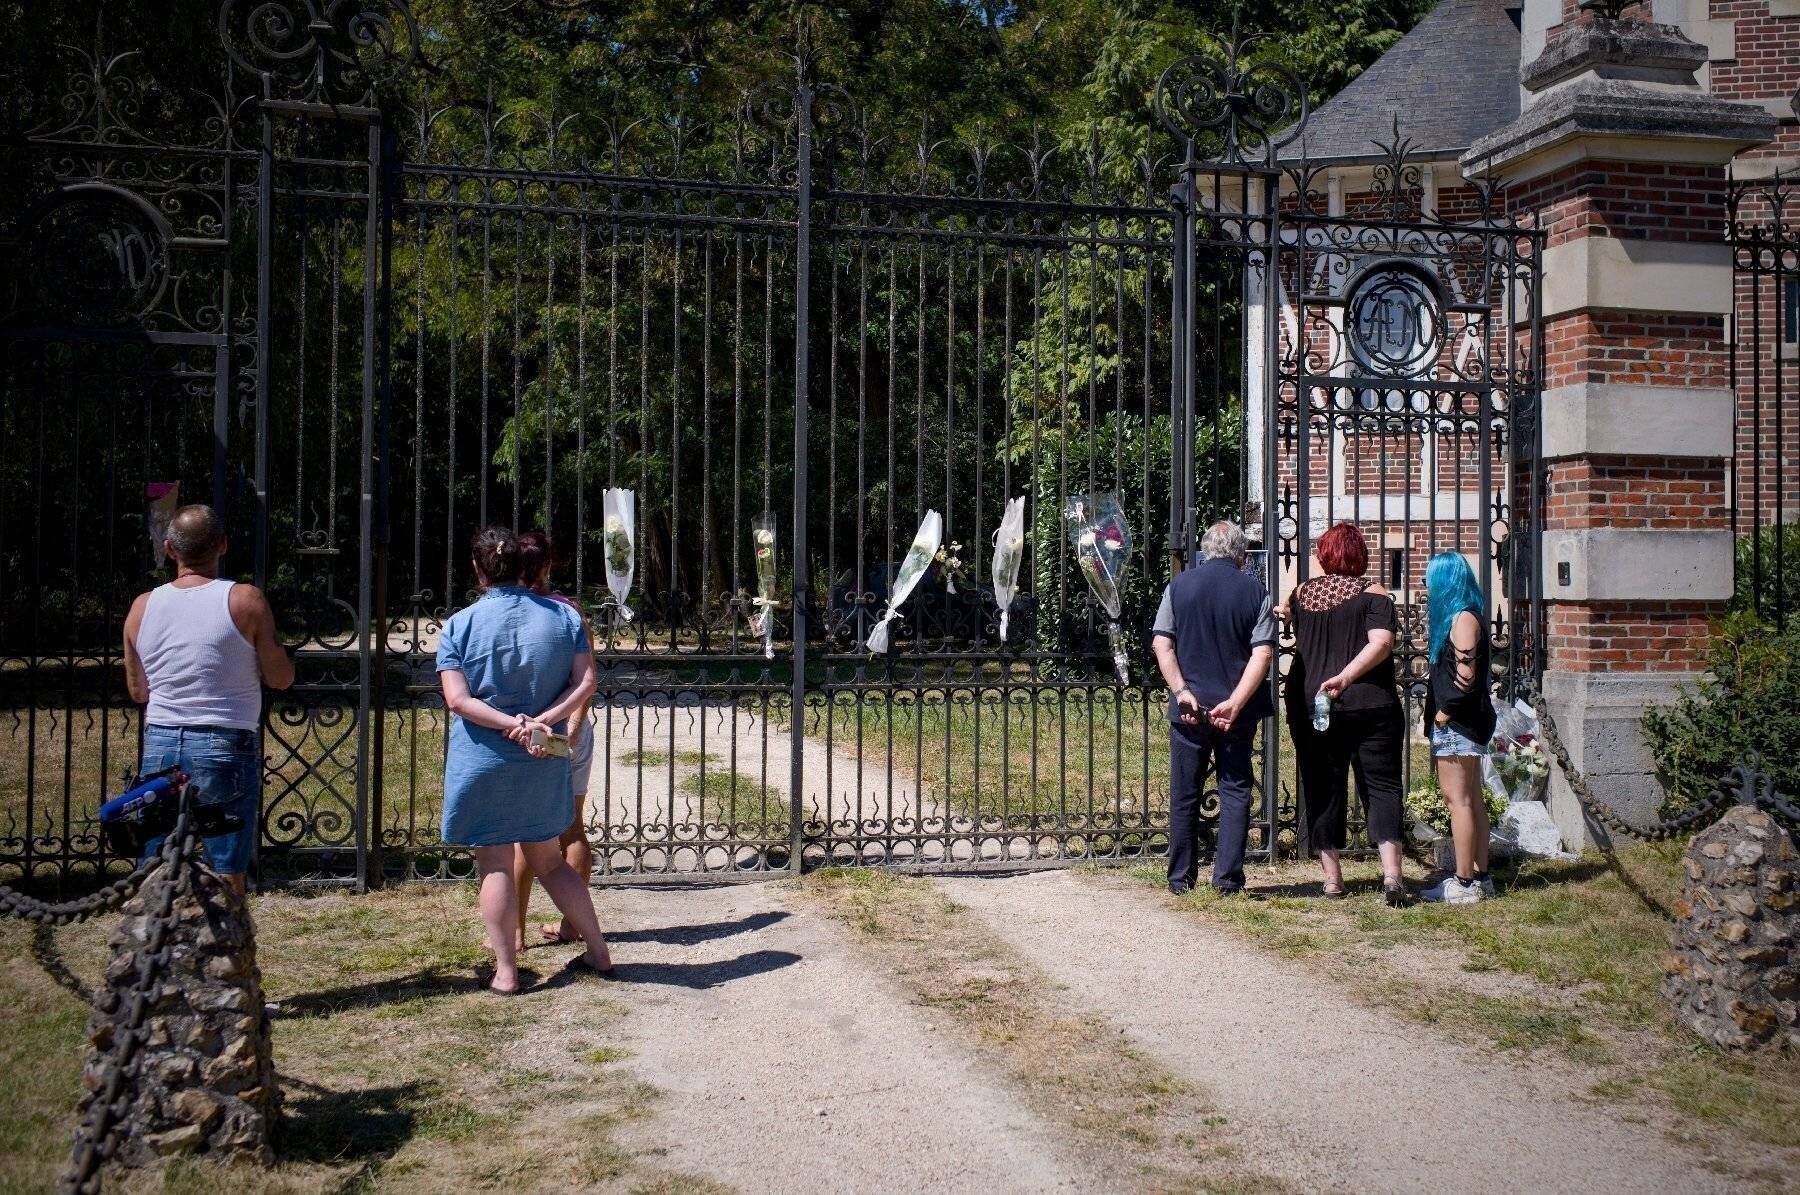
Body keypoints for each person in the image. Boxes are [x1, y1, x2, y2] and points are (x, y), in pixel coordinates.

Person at [437, 526, 611, 993]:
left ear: (477, 569)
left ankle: (507, 972)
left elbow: (457, 700)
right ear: (522, 566)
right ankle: (598, 950)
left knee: (495, 863)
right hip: (542, 753)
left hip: (484, 756)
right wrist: (543, 722)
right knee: (550, 861)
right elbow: (587, 682)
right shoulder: (564, 618)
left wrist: (508, 724)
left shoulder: (459, 624)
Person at [122, 504, 295, 898]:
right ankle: (226, 949)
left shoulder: (142, 607)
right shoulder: (244, 601)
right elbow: (279, 678)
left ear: (169, 549)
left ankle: (152, 943)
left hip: (162, 739)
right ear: (222, 545)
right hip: (225, 739)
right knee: (226, 864)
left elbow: (138, 691)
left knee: (155, 860)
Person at [1282, 523, 1409, 906]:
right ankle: (1392, 876)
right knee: (1382, 785)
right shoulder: (1375, 595)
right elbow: (1381, 643)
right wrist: (1348, 676)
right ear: (1361, 556)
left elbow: (1286, 616)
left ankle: (1333, 880)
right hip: (1372, 704)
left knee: (1323, 786)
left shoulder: (1302, 593)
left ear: (1323, 555)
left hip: (1316, 706)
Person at [1151, 521, 1277, 896]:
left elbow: (1162, 644)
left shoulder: (1178, 586)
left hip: (1189, 708)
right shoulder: (1256, 590)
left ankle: (1180, 878)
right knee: (1236, 788)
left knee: (1185, 791)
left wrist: (1181, 691)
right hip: (1236, 710)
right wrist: (1236, 702)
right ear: (1241, 554)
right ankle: (1227, 879)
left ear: (1205, 550)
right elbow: (1264, 652)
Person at [511, 529, 596, 949]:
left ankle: (517, 931)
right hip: (568, 733)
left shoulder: (510, 612)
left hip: (527, 732)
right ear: (548, 566)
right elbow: (586, 680)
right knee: (572, 830)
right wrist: (575, 732)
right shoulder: (568, 611)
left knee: (524, 833)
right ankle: (571, 926)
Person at [1418, 551, 1497, 905]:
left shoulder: (1463, 618)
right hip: (1467, 723)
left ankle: (1464, 882)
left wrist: (1443, 714)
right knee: (1472, 800)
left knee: (1458, 802)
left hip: (1459, 724)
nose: (1425, 584)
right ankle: (1481, 876)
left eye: (1430, 577)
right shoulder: (1464, 615)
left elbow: (1465, 677)